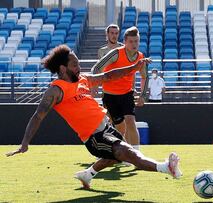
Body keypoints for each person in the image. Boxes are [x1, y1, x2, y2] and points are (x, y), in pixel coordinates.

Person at [6, 45, 182, 189]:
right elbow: (38, 116)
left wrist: (134, 67)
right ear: (62, 68)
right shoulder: (56, 90)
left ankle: (87, 175)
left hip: (106, 126)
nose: (78, 67)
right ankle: (166, 167)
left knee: (114, 157)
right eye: (75, 65)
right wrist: (25, 143)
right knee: (128, 153)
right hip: (93, 136)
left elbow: (108, 76)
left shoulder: (82, 79)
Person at [91, 26, 147, 154]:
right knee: (120, 128)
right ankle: (112, 152)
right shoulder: (116, 53)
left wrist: (143, 95)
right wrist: (94, 86)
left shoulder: (140, 57)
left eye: (136, 41)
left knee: (131, 121)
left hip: (127, 94)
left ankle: (137, 155)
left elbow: (144, 76)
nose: (134, 44)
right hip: (110, 96)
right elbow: (97, 68)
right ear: (125, 42)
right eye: (131, 41)